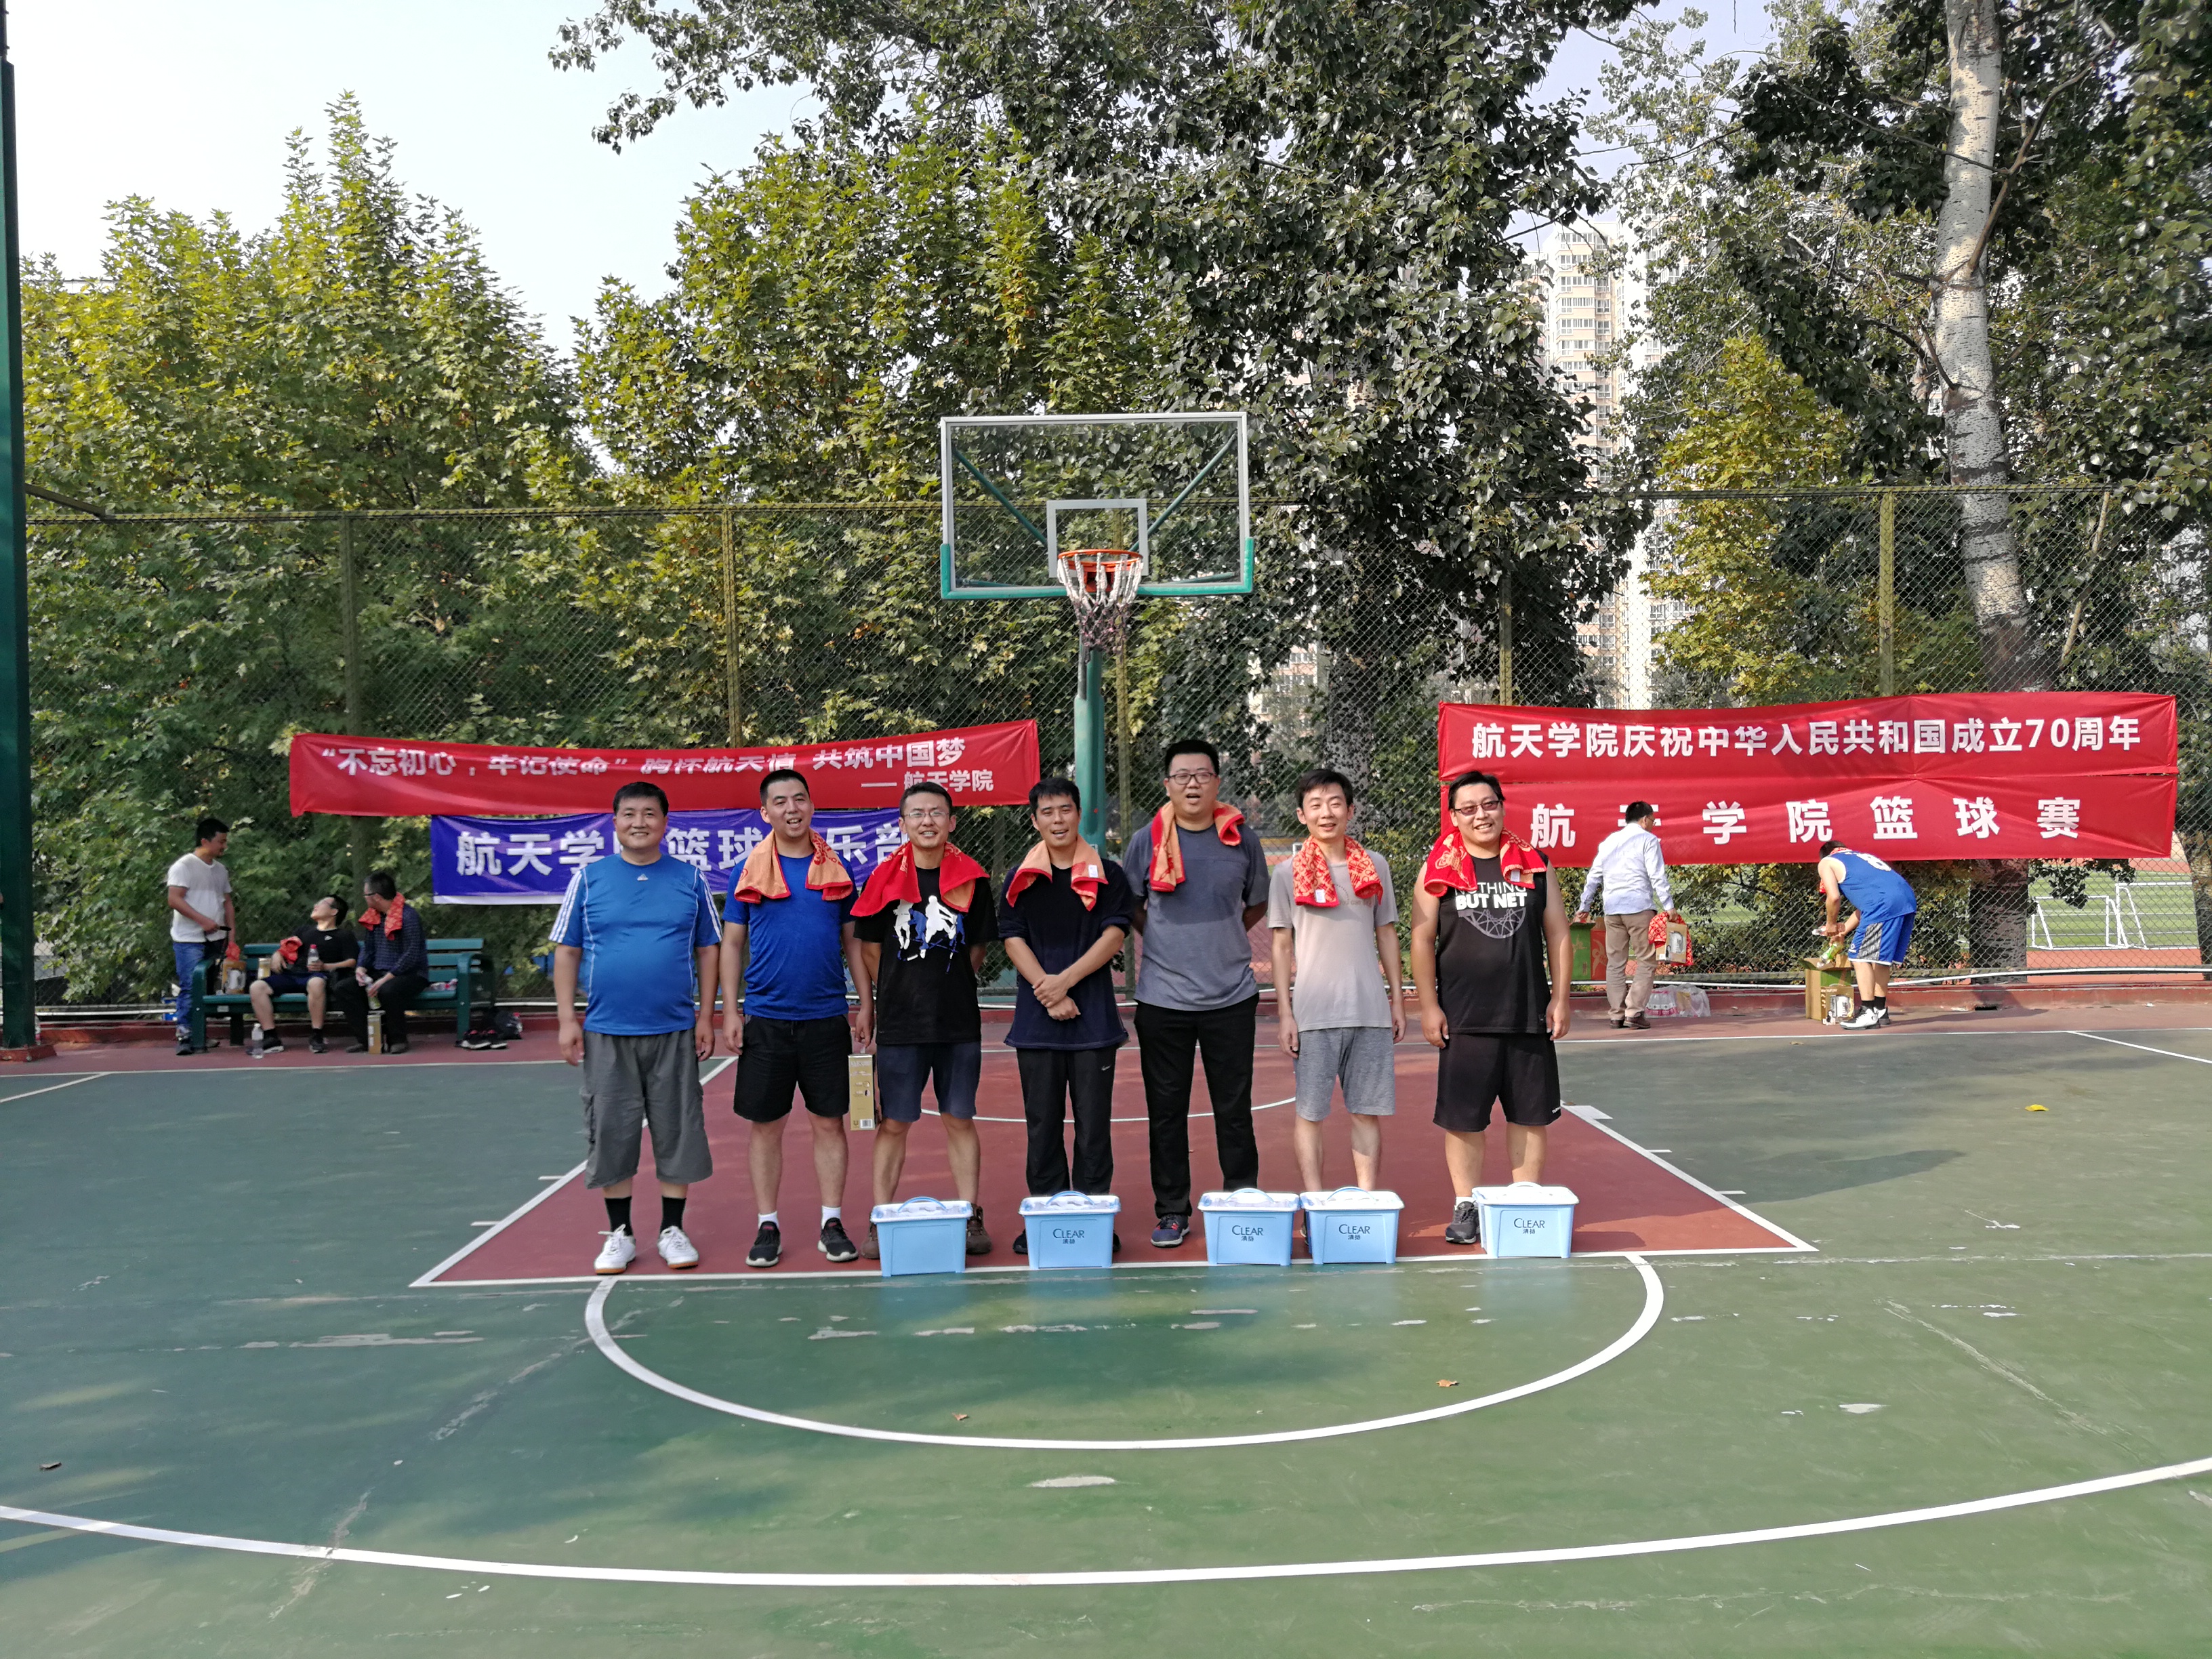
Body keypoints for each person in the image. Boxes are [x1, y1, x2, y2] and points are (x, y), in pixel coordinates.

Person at [552, 781, 723, 1274]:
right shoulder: (589, 880)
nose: (639, 822)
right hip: (607, 1029)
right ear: (615, 822)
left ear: (665, 823)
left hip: (674, 1028)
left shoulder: (690, 880)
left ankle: (672, 1230)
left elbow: (709, 949)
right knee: (611, 1130)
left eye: (650, 813)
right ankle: (620, 1234)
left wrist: (705, 1015)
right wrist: (566, 1020)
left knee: (678, 1127)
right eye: (629, 814)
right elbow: (567, 950)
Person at [1410, 770, 1572, 1248]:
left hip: (1527, 1013)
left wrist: (1561, 998)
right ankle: (1467, 1204)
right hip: (1464, 1018)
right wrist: (1429, 1006)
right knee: (1464, 1120)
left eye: (1489, 805)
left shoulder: (1534, 864)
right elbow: (1421, 938)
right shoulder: (1438, 867)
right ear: (1454, 816)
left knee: (1530, 1116)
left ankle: (1525, 1201)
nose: (1481, 815)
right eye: (1469, 808)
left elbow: (1558, 933)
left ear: (1502, 807)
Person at [720, 767, 870, 1269]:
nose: (792, 808)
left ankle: (832, 1222)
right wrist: (730, 1009)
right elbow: (732, 944)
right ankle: (768, 1224)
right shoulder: (747, 871)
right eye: (781, 801)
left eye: (800, 799)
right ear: (765, 812)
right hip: (765, 1018)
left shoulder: (837, 869)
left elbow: (853, 942)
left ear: (812, 805)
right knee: (767, 1126)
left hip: (826, 1017)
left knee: (830, 1122)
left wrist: (866, 1002)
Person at [1124, 737, 1270, 1248]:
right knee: (1167, 1112)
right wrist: (1165, 942)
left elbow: (1255, 904)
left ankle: (1241, 1199)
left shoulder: (1241, 838)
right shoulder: (1146, 840)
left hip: (1232, 996)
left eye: (1202, 775)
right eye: (1182, 776)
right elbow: (1132, 904)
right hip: (1163, 1000)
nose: (1192, 784)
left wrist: (1222, 938)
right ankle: (1172, 1211)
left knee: (1235, 1107)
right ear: (1167, 785)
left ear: (1217, 783)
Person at [853, 780, 999, 1258]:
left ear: (952, 822)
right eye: (916, 813)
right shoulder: (882, 880)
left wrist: (943, 986)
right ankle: (881, 1217)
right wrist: (902, 990)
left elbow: (976, 950)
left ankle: (970, 1214)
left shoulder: (972, 879)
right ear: (903, 824)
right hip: (901, 1025)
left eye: (936, 812)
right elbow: (870, 951)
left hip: (957, 1022)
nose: (927, 821)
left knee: (960, 1118)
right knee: (894, 1123)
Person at [998, 777, 1133, 1253]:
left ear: (1080, 814)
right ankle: (1046, 1217)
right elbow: (1013, 938)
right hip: (1036, 1023)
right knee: (1042, 1125)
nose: (1058, 820)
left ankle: (1094, 1218)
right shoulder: (1019, 878)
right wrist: (1049, 992)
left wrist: (1065, 982)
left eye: (1065, 810)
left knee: (1094, 1127)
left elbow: (1114, 935)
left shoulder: (1109, 875)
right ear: (1035, 821)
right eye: (1047, 812)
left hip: (1094, 1021)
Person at [1267, 767, 1403, 1193]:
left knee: (1366, 1113)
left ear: (1350, 810)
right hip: (1313, 1016)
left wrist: (1397, 1002)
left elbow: (1386, 934)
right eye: (1315, 805)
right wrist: (1285, 1014)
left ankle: (1367, 1201)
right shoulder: (1287, 873)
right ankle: (1314, 1202)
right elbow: (1281, 946)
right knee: (1310, 1114)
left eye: (1335, 803)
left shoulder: (1375, 866)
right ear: (1301, 814)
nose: (1326, 813)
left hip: (1369, 1012)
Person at [1573, 801, 1677, 1029]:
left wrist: (1584, 906)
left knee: (1615, 963)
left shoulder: (1608, 842)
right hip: (1639, 907)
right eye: (1653, 820)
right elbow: (1657, 875)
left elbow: (1594, 877)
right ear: (1645, 820)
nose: (1653, 824)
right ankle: (1634, 1011)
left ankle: (1616, 1014)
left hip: (1612, 910)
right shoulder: (1648, 840)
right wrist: (1668, 905)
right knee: (1647, 960)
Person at [1816, 840, 1918, 1029]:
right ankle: (1879, 1009)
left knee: (1859, 956)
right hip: (1906, 900)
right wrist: (1843, 931)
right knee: (1881, 960)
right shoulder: (1862, 858)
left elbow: (1834, 897)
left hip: (1883, 904)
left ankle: (1868, 1012)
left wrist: (1831, 925)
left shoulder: (1827, 862)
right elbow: (1864, 908)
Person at [329, 871, 432, 1056]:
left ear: (376, 897)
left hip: (410, 975)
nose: (364, 898)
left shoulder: (408, 916)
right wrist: (361, 968)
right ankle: (367, 1040)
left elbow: (411, 954)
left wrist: (385, 979)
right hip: (378, 972)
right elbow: (368, 948)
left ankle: (398, 1040)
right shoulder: (374, 917)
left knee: (388, 991)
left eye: (366, 894)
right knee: (344, 988)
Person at [247, 896, 356, 1055]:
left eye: (321, 903)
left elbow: (352, 962)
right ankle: (271, 1038)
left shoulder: (344, 935)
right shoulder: (303, 931)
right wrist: (277, 954)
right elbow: (286, 948)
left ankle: (317, 1036)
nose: (316, 905)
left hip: (319, 976)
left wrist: (326, 966)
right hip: (293, 974)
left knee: (316, 983)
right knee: (257, 987)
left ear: (334, 911)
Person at [165, 816, 235, 1056]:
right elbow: (174, 899)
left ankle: (200, 1033)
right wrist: (202, 921)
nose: (224, 846)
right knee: (190, 985)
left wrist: (231, 937)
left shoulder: (220, 870)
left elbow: (227, 902)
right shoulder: (184, 866)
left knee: (206, 987)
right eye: (221, 841)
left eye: (225, 841)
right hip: (189, 939)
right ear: (205, 841)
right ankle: (185, 1035)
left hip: (216, 939)